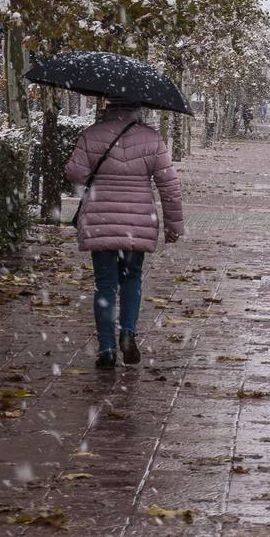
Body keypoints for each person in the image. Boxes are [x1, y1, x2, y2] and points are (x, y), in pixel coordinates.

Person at [65, 99, 185, 369]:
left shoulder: (92, 134)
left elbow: (75, 173)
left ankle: (106, 348)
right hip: (137, 223)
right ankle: (128, 332)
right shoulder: (152, 138)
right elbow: (169, 185)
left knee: (104, 284)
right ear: (138, 108)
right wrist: (173, 225)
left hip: (101, 220)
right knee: (131, 279)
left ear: (109, 106)